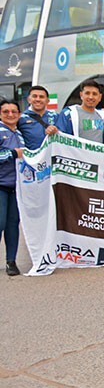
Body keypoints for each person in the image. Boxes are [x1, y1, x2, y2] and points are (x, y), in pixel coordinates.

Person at [0, 100, 24, 276]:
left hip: (16, 187)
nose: (10, 115)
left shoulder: (19, 134)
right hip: (1, 186)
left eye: (14, 112)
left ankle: (11, 261)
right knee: (0, 223)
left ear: (19, 114)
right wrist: (13, 153)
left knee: (12, 225)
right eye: (6, 112)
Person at [55, 79, 104, 143]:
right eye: (87, 93)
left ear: (100, 97)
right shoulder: (69, 114)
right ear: (81, 95)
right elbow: (60, 138)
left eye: (94, 94)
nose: (91, 97)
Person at [17, 85, 59, 150]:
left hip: (52, 155)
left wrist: (57, 131)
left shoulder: (56, 116)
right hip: (32, 155)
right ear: (29, 99)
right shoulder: (20, 119)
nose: (38, 99)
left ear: (47, 101)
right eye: (34, 96)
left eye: (41, 97)